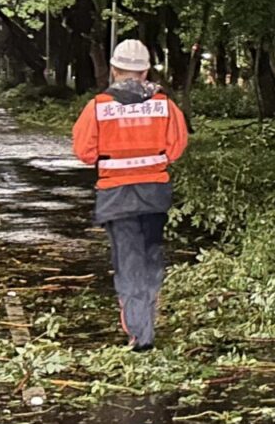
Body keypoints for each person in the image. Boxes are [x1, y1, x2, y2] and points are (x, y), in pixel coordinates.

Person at [70, 39, 191, 352]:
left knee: (129, 261)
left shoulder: (98, 106)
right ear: (146, 71)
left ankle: (140, 334)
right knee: (151, 255)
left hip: (116, 195)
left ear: (113, 69)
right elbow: (176, 149)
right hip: (155, 193)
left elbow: (84, 152)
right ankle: (147, 319)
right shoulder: (165, 104)